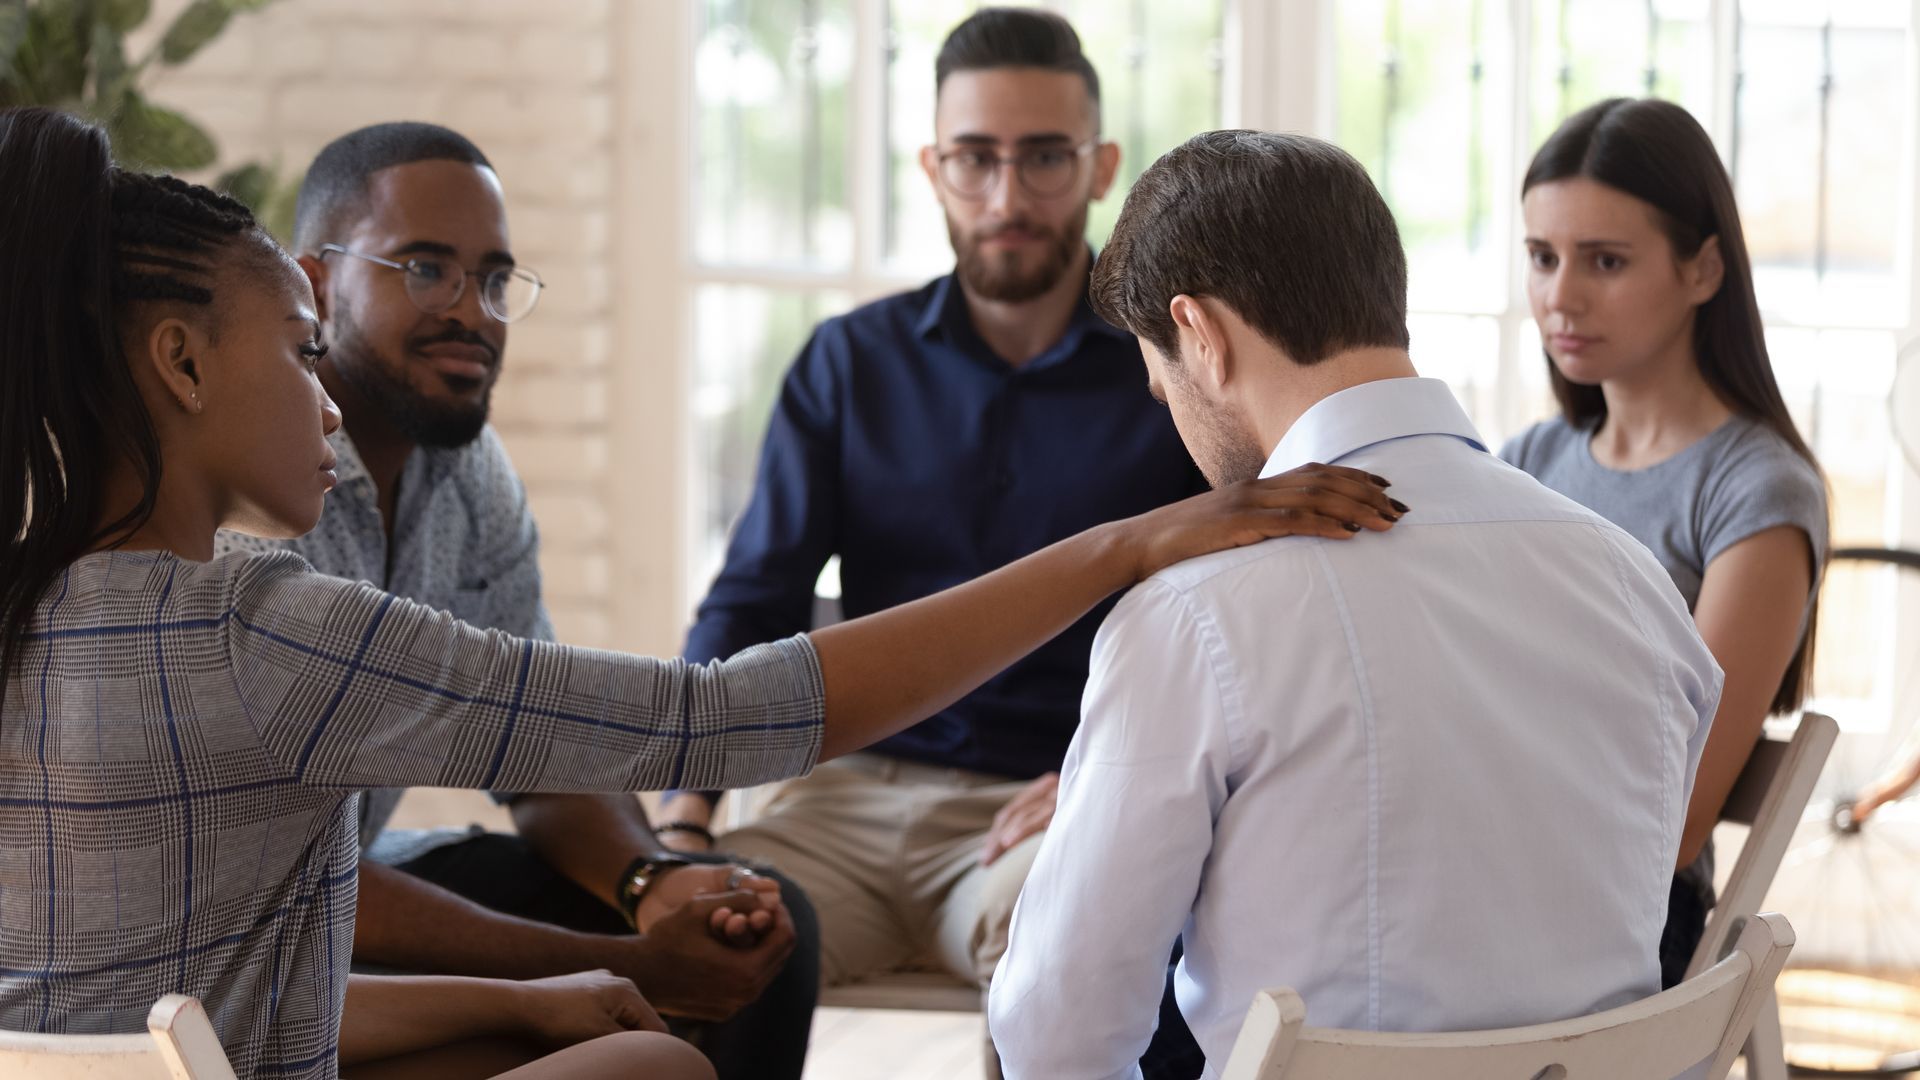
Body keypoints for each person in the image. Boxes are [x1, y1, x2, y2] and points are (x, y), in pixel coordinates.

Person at [0, 106, 1402, 1080]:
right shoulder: (263, 628)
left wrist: (556, 974)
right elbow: (719, 716)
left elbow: (209, 1010)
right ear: (182, 367)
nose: (316, 392)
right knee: (652, 1071)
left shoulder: (36, 601)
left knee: (609, 1023)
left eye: (496, 277)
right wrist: (1131, 544)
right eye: (296, 351)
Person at [986, 129, 1724, 1078]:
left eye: (1160, 380)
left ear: (1200, 337)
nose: (1169, 414)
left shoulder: (1194, 615)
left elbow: (1058, 1030)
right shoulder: (1634, 584)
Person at [211, 121, 817, 1080]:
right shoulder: (243, 497)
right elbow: (278, 879)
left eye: (493, 279)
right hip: (250, 947)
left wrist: (650, 881)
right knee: (639, 1008)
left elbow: (535, 753)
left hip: (364, 878)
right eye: (424, 268)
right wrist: (618, 960)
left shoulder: (470, 474)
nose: (471, 310)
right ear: (315, 284)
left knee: (756, 934)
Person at [657, 6, 1210, 1002]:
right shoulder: (847, 364)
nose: (1008, 195)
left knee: (1076, 959)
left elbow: (1236, 614)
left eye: (1044, 158)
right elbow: (752, 600)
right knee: (698, 946)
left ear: (1098, 166)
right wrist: (684, 818)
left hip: (1051, 805)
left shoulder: (1171, 373)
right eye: (975, 158)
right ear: (932, 168)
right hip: (841, 801)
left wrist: (1117, 780)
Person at [1502, 97, 1828, 988]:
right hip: (1491, 865)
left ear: (1704, 268)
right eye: (1542, 258)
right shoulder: (1530, 459)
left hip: (1623, 917)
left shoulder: (1754, 491)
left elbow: (1674, 821)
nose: (1560, 296)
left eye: (1605, 261)